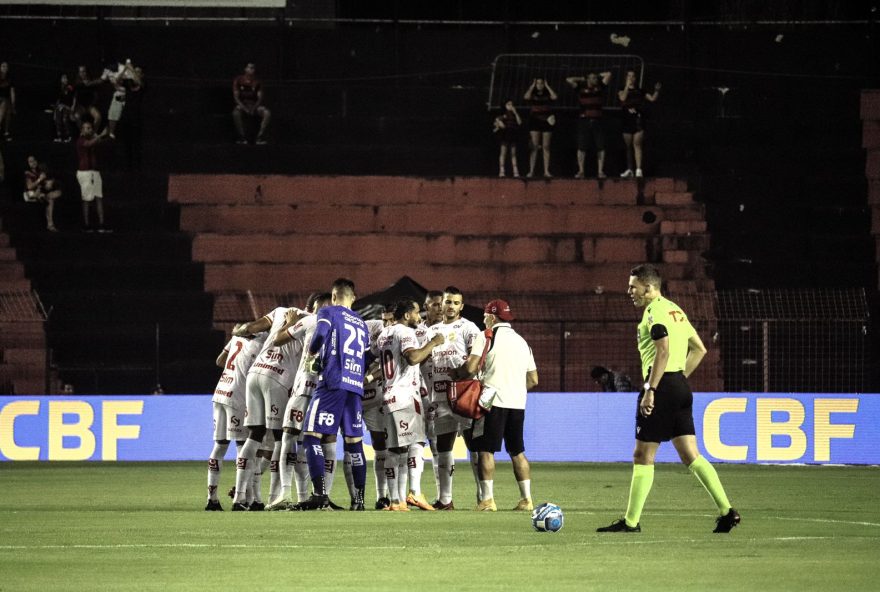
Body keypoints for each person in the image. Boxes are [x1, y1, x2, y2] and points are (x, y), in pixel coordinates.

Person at [597, 264, 740, 533]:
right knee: (691, 455)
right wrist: (678, 379)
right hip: (678, 386)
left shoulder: (654, 312)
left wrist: (652, 388)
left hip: (660, 386)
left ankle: (630, 522)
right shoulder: (676, 310)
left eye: (633, 287)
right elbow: (699, 349)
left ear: (649, 288)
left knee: (642, 455)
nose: (629, 291)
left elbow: (662, 350)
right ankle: (727, 511)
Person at [457, 300, 538, 512]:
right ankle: (526, 499)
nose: (483, 320)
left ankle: (488, 500)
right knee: (517, 452)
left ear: (492, 317)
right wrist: (514, 389)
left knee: (485, 451)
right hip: (517, 403)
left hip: (492, 402)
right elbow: (533, 380)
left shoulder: (485, 337)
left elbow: (471, 367)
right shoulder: (522, 342)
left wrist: (457, 374)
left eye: (485, 317)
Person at [298, 278, 369, 510]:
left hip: (332, 382)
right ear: (354, 298)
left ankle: (319, 494)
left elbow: (319, 335)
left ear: (333, 295)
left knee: (311, 436)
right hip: (355, 386)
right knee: (353, 441)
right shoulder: (361, 322)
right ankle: (358, 501)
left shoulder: (328, 311)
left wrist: (312, 354)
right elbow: (366, 358)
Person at [228, 302, 306, 511]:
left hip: (255, 373)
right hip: (278, 378)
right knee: (281, 437)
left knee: (255, 434)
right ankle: (274, 498)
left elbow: (251, 327)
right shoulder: (311, 320)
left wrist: (239, 330)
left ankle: (239, 497)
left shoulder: (279, 311)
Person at [373, 299, 445, 511]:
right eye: (416, 313)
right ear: (406, 316)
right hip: (405, 396)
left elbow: (393, 363)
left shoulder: (384, 334)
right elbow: (413, 357)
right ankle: (412, 494)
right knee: (415, 444)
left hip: (388, 395)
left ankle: (397, 500)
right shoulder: (405, 332)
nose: (419, 317)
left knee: (395, 451)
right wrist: (433, 343)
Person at [425, 286, 484, 510]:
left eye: (454, 303)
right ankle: (445, 499)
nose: (449, 307)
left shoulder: (469, 328)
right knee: (443, 447)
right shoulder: (434, 331)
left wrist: (461, 373)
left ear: (461, 306)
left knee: (474, 447)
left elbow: (476, 360)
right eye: (446, 302)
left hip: (465, 394)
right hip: (440, 396)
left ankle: (483, 496)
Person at [205, 331, 267, 511]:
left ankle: (212, 499)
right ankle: (242, 500)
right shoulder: (262, 343)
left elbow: (219, 361)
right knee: (244, 446)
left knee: (219, 446)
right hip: (238, 397)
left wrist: (235, 365)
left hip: (220, 392)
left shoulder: (235, 339)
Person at [565, 71, 612, 179]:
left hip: (598, 120)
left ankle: (600, 171)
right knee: (581, 146)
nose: (594, 80)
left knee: (600, 146)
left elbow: (608, 74)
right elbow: (569, 80)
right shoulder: (580, 88)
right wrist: (582, 78)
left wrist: (598, 76)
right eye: (592, 78)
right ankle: (581, 171)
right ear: (587, 79)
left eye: (595, 78)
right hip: (584, 121)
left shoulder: (600, 87)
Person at [618, 70, 661, 179]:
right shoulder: (621, 89)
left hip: (637, 120)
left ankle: (638, 169)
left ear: (635, 78)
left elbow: (652, 99)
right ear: (626, 78)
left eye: (633, 76)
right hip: (626, 120)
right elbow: (622, 98)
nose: (631, 78)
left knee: (637, 144)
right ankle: (629, 169)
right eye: (629, 76)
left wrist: (656, 90)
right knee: (628, 146)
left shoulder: (640, 90)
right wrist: (627, 86)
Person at [75, 121, 110, 232]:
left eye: (90, 128)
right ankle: (86, 225)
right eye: (86, 128)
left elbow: (101, 142)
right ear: (82, 130)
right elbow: (88, 144)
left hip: (95, 172)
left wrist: (106, 135)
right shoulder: (80, 141)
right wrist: (100, 135)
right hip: (85, 173)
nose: (88, 130)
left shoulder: (93, 139)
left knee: (99, 197)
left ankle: (101, 225)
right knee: (86, 199)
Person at [523, 78, 558, 178]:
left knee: (546, 146)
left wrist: (547, 86)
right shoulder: (533, 94)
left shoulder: (547, 94)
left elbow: (555, 97)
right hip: (535, 121)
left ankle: (546, 171)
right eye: (538, 83)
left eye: (541, 83)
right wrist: (532, 86)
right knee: (534, 147)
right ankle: (531, 171)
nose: (539, 85)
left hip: (547, 121)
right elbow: (526, 97)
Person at [232, 63, 271, 145]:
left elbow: (260, 98)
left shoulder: (257, 82)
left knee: (267, 113)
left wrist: (253, 108)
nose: (252, 69)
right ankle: (241, 137)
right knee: (235, 113)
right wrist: (245, 108)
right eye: (250, 68)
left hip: (254, 106)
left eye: (253, 68)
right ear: (245, 69)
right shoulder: (238, 80)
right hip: (243, 105)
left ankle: (260, 137)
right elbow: (236, 97)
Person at [24, 156, 61, 232]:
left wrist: (50, 182)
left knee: (57, 192)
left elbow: (50, 180)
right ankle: (50, 225)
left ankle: (45, 197)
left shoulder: (41, 169)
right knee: (49, 199)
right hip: (31, 193)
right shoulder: (27, 172)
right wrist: (39, 179)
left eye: (34, 160)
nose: (33, 162)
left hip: (43, 192)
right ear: (28, 164)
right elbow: (29, 187)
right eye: (30, 161)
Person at [493, 100, 521, 178]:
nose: (510, 106)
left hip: (513, 134)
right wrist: (498, 123)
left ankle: (515, 171)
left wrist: (515, 113)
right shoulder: (503, 114)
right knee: (503, 153)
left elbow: (519, 122)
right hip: (505, 134)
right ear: (505, 105)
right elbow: (496, 122)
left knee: (513, 154)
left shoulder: (515, 114)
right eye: (508, 104)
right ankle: (502, 171)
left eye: (512, 104)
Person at [73, 65, 102, 130]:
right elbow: (75, 95)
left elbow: (95, 94)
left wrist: (93, 103)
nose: (82, 74)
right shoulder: (77, 83)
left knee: (98, 117)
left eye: (83, 71)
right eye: (80, 72)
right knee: (76, 116)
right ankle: (84, 133)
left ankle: (92, 133)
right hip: (81, 106)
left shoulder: (91, 82)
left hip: (89, 106)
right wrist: (74, 107)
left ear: (86, 72)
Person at [54, 73, 77, 142]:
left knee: (65, 119)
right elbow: (58, 101)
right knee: (58, 118)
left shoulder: (71, 87)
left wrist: (73, 106)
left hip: (69, 107)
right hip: (61, 107)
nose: (65, 80)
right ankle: (60, 137)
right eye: (63, 78)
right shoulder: (59, 88)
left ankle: (69, 136)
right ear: (61, 80)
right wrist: (56, 109)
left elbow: (74, 98)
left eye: (66, 78)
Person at [0, 62, 15, 141]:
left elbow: (12, 92)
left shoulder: (10, 78)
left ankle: (6, 132)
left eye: (6, 66)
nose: (4, 68)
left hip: (5, 99)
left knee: (7, 110)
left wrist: (13, 104)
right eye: (3, 66)